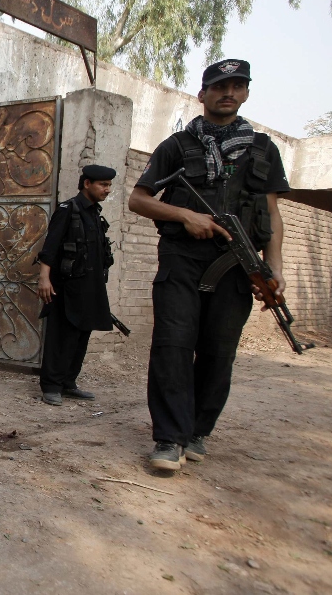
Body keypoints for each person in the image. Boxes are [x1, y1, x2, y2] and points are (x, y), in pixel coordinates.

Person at [128, 59, 290, 471]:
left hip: (237, 264)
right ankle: (168, 438)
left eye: (237, 86)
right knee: (172, 347)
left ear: (247, 93)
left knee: (219, 352)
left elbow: (271, 215)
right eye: (219, 86)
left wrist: (274, 268)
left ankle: (197, 430)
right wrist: (186, 216)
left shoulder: (264, 150)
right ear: (202, 94)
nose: (228, 93)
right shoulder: (177, 146)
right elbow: (138, 199)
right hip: (182, 260)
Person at [36, 164, 117, 406]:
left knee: (82, 334)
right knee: (61, 336)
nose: (107, 189)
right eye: (103, 185)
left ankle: (68, 383)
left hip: (90, 287)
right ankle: (51, 386)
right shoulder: (67, 209)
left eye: (109, 185)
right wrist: (44, 278)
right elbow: (49, 248)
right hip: (66, 286)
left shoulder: (94, 212)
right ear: (87, 184)